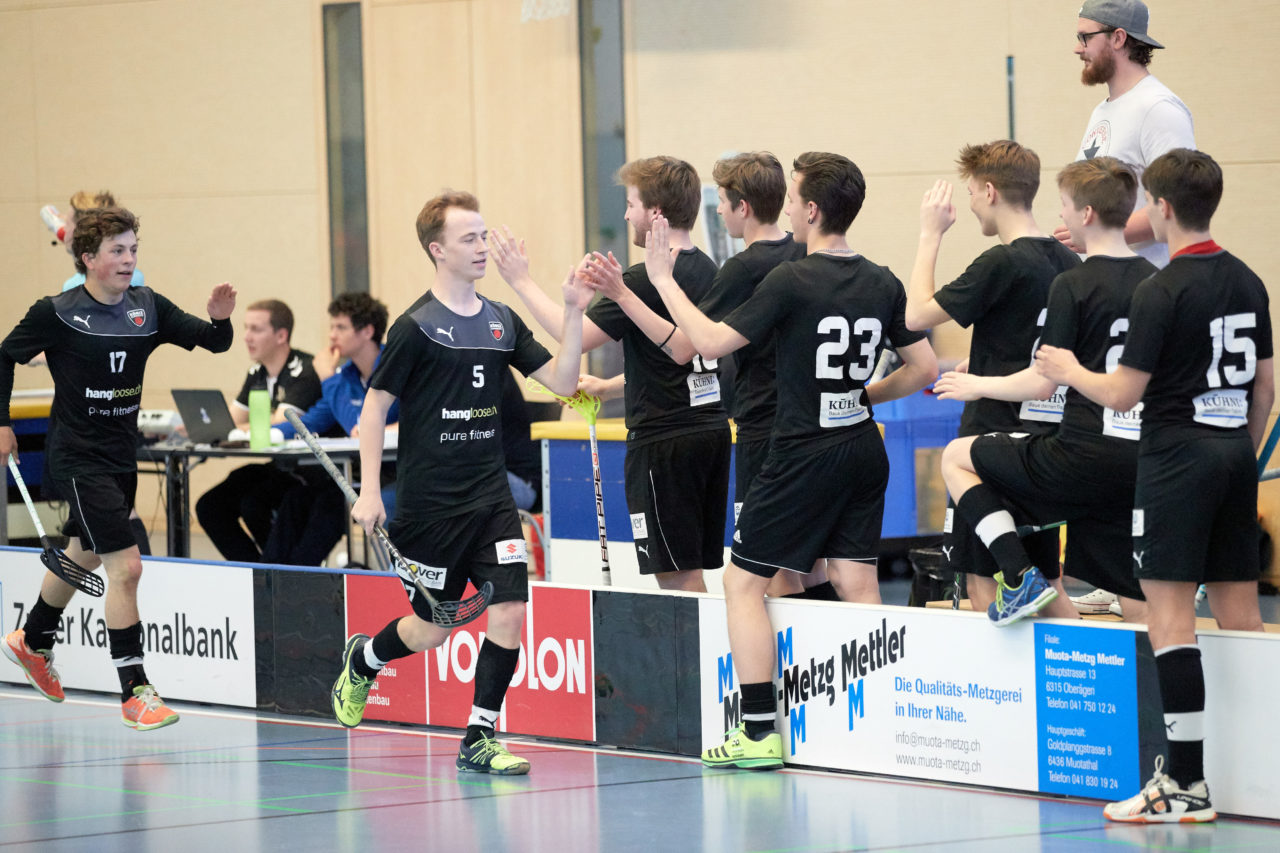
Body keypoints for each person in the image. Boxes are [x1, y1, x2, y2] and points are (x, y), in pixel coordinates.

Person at [634, 152, 936, 768]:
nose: (790, 207)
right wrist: (860, 396)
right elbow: (925, 368)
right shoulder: (883, 279)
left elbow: (711, 343)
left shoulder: (791, 280)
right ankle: (879, 722)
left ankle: (757, 730)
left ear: (814, 209)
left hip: (802, 453)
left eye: (796, 199)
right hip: (862, 447)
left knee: (741, 582)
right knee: (857, 580)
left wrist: (663, 280)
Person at [1037, 149, 1273, 822]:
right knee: (1241, 614)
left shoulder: (1161, 290)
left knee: (1169, 617)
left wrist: (1068, 367)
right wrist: (1239, 455)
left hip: (1175, 463)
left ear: (1161, 208)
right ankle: (1257, 771)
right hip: (1233, 458)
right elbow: (1266, 386)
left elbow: (1120, 393)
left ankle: (1187, 786)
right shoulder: (1248, 279)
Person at [333, 190, 591, 775]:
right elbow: (373, 409)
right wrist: (371, 490)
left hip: (491, 500)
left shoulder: (502, 321)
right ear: (437, 249)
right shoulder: (416, 328)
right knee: (433, 629)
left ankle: (479, 735)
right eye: (469, 238)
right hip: (431, 506)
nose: (482, 247)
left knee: (509, 612)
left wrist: (573, 311)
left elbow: (564, 379)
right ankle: (366, 660)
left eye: (483, 235)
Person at [1, 206, 236, 729]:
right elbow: (4, 356)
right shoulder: (57, 312)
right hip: (78, 459)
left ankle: (32, 639)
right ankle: (135, 691)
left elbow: (215, 341)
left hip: (119, 456)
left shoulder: (147, 308)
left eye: (133, 249)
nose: (129, 260)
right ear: (88, 258)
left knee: (84, 550)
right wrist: (2, 423)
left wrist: (220, 316)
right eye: (117, 251)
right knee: (126, 567)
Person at [580, 152, 837, 600]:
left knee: (758, 575)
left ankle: (770, 669)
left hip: (756, 432)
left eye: (721, 201)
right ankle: (819, 666)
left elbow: (687, 347)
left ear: (743, 207)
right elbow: (703, 354)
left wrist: (624, 290)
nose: (715, 211)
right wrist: (611, 385)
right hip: (800, 427)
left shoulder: (736, 270)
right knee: (810, 565)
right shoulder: (788, 258)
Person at [489, 156, 730, 593]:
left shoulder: (640, 281)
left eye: (631, 204)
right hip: (710, 433)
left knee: (677, 575)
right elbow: (685, 357)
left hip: (663, 441)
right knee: (693, 568)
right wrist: (612, 385)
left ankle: (691, 662)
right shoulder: (709, 270)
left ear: (655, 212)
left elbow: (571, 335)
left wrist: (521, 281)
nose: (625, 214)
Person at [934, 157, 1155, 625]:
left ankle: (1018, 574)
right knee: (1131, 589)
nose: (1063, 217)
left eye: (1066, 207)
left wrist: (977, 383)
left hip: (1076, 454)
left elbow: (1043, 378)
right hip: (1138, 455)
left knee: (955, 456)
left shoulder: (1072, 283)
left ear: (1087, 214)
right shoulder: (1156, 283)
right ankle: (1140, 681)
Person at [904, 140, 1081, 617]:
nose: (968, 205)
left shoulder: (1002, 261)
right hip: (1047, 441)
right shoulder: (1070, 263)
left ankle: (1006, 694)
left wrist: (929, 235)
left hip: (992, 439)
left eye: (970, 194)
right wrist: (982, 365)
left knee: (985, 585)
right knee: (1052, 584)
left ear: (988, 191)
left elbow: (917, 313)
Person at [1054, 0, 1194, 269]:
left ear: (1118, 38)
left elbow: (1179, 202)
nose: (1077, 48)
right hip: (1103, 287)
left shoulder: (1158, 108)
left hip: (1144, 291)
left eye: (1085, 37)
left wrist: (1094, 233)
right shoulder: (1103, 110)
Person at [263, 292, 400, 566]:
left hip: (402, 472)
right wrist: (265, 434)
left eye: (341, 327)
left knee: (343, 503)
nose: (332, 335)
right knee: (297, 498)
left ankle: (306, 583)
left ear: (367, 331)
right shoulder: (347, 376)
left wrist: (327, 376)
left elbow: (359, 428)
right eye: (331, 326)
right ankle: (278, 583)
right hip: (364, 475)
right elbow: (312, 421)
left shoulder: (394, 368)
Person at [194, 299, 322, 563]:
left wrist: (232, 429)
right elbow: (229, 422)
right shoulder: (257, 372)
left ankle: (275, 571)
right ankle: (253, 570)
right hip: (278, 467)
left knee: (253, 503)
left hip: (308, 473)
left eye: (256, 329)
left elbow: (278, 425)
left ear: (281, 335)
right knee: (210, 506)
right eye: (245, 328)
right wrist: (194, 426)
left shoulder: (305, 371)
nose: (246, 337)